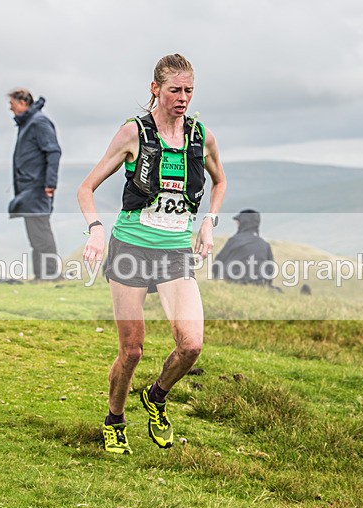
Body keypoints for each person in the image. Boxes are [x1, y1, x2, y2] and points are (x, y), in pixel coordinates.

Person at [77, 53, 227, 455]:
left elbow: (220, 180)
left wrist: (209, 222)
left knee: (191, 345)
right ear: (155, 89)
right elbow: (85, 188)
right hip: (130, 249)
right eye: (175, 90)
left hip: (175, 252)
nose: (182, 98)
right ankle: (115, 419)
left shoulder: (201, 135)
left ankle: (157, 397)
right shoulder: (133, 133)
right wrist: (95, 231)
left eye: (189, 90)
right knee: (132, 350)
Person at [7, 88, 62, 281]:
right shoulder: (28, 123)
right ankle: (42, 275)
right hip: (29, 187)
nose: (10, 109)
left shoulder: (38, 122)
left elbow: (53, 151)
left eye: (12, 104)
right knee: (34, 233)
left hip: (37, 186)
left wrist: (50, 183)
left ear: (23, 103)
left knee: (40, 230)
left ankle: (50, 274)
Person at [211, 209, 276, 286]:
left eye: (238, 223)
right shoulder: (265, 245)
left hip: (233, 282)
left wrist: (216, 279)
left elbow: (218, 262)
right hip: (259, 284)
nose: (237, 225)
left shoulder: (235, 240)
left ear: (243, 223)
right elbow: (270, 269)